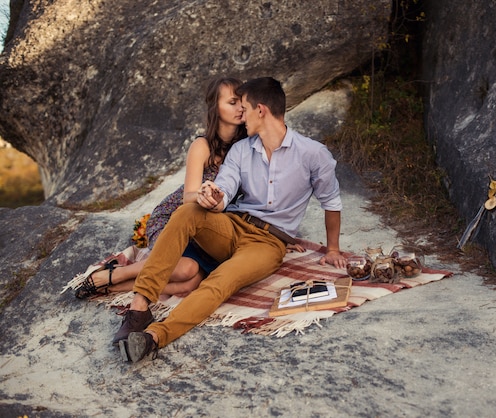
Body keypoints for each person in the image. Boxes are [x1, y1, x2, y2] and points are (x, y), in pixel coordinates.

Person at [112, 77, 347, 363]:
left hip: (268, 243)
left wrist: (333, 249)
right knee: (187, 212)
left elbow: (331, 201)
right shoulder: (240, 150)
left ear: (261, 110)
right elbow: (224, 190)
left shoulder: (313, 154)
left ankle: (154, 337)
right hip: (233, 225)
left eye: (244, 107)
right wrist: (212, 196)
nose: (241, 115)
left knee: (222, 280)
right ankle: (139, 309)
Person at [74, 76, 247, 300]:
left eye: (242, 101)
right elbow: (188, 197)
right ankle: (112, 275)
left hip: (207, 230)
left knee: (191, 284)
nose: (240, 107)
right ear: (215, 108)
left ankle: (111, 288)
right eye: (232, 102)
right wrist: (207, 195)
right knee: (187, 270)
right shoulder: (202, 146)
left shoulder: (247, 147)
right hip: (173, 219)